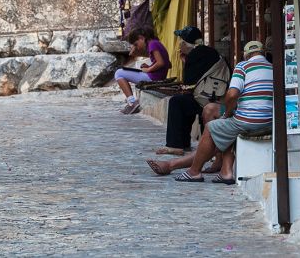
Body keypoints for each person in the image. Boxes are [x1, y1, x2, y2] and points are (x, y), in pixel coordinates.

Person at [171, 40, 273, 184]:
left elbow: (232, 95)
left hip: (250, 122)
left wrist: (228, 112)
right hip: (270, 122)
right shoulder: (273, 68)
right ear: (263, 53)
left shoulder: (243, 66)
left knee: (211, 127)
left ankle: (194, 172)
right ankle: (225, 172)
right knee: (226, 126)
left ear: (246, 55)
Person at [156, 26, 227, 155]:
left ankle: (176, 145)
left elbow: (189, 82)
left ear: (184, 43)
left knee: (177, 102)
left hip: (207, 100)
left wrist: (186, 62)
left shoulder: (194, 55)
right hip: (218, 98)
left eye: (181, 41)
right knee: (186, 101)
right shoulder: (211, 52)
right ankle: (184, 144)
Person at [113, 26, 171, 114]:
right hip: (157, 76)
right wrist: (150, 66)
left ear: (142, 38)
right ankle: (132, 102)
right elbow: (168, 64)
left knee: (118, 73)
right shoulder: (156, 43)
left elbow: (161, 63)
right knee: (122, 72)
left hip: (153, 78)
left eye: (136, 44)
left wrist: (148, 70)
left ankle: (132, 102)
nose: (137, 47)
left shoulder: (152, 44)